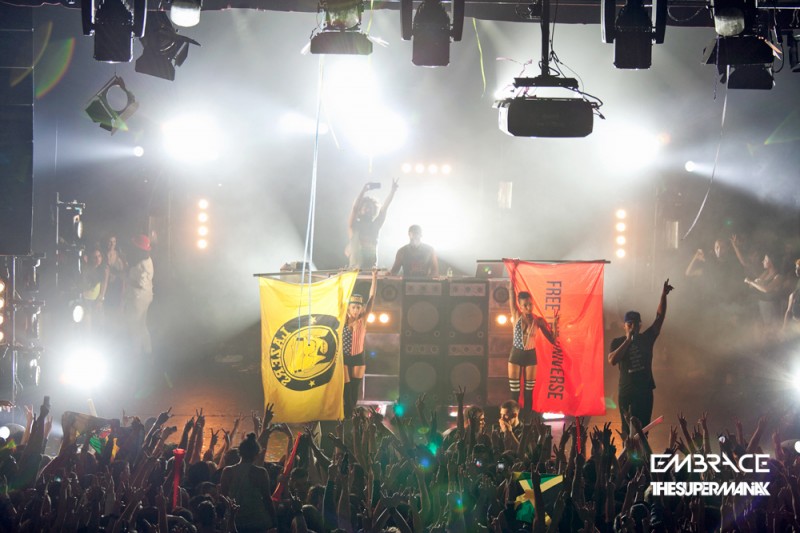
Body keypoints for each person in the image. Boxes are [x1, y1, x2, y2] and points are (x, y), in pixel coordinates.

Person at [608, 279, 673, 434]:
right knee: (627, 432)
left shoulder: (646, 338)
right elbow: (612, 360)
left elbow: (659, 318)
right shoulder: (617, 342)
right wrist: (628, 340)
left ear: (640, 325)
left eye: (636, 323)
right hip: (627, 392)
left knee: (643, 431)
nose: (633, 326)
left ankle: (642, 449)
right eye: (629, 324)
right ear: (624, 325)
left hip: (644, 392)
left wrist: (663, 295)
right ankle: (628, 449)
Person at [508, 290, 556, 416]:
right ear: (520, 306)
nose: (529, 307)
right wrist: (512, 278)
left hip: (530, 356)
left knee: (528, 393)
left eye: (530, 304)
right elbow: (511, 294)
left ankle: (527, 421)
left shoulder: (538, 320)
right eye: (525, 305)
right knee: (515, 393)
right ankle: (513, 420)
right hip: (516, 355)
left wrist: (555, 326)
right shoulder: (516, 314)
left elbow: (552, 340)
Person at [220, 433, 276, 532]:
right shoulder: (261, 472)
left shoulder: (227, 471)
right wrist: (275, 521)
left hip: (234, 520)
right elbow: (267, 499)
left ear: (240, 452)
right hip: (256, 520)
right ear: (256, 454)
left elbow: (223, 496)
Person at [342, 268, 377, 417]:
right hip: (344, 357)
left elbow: (372, 297)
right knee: (346, 387)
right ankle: (348, 414)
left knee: (355, 387)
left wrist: (374, 277)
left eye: (358, 307)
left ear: (361, 308)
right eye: (353, 307)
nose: (356, 310)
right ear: (349, 308)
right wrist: (343, 276)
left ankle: (351, 415)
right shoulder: (343, 320)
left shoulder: (363, 320)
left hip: (358, 357)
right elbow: (339, 297)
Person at [346, 180, 398, 269]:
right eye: (366, 207)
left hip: (371, 269)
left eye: (370, 208)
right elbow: (354, 208)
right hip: (355, 270)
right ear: (360, 210)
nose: (368, 210)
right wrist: (363, 191)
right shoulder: (354, 225)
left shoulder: (375, 226)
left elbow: (384, 209)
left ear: (374, 211)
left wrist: (392, 192)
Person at [123, 234, 154, 358]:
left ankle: (136, 353)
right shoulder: (146, 261)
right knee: (141, 325)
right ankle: (146, 351)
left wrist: (125, 278)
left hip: (138, 299)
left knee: (135, 325)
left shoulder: (143, 264)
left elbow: (140, 284)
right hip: (142, 297)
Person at [783, 258, 800, 332]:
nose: (797, 271)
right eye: (796, 268)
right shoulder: (798, 282)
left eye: (798, 268)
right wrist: (784, 327)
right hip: (795, 321)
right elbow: (788, 310)